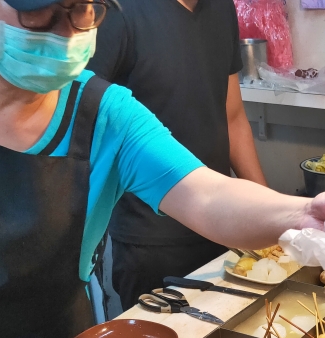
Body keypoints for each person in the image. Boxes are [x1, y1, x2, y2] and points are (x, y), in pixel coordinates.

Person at [0, 0, 325, 338]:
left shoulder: (104, 111)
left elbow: (208, 195)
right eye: (39, 11)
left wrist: (307, 212)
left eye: (82, 10)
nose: (64, 32)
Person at [86, 0, 266, 312]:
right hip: (150, 238)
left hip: (219, 222)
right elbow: (85, 120)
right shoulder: (117, 13)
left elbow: (232, 116)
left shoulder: (221, 8)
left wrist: (265, 211)